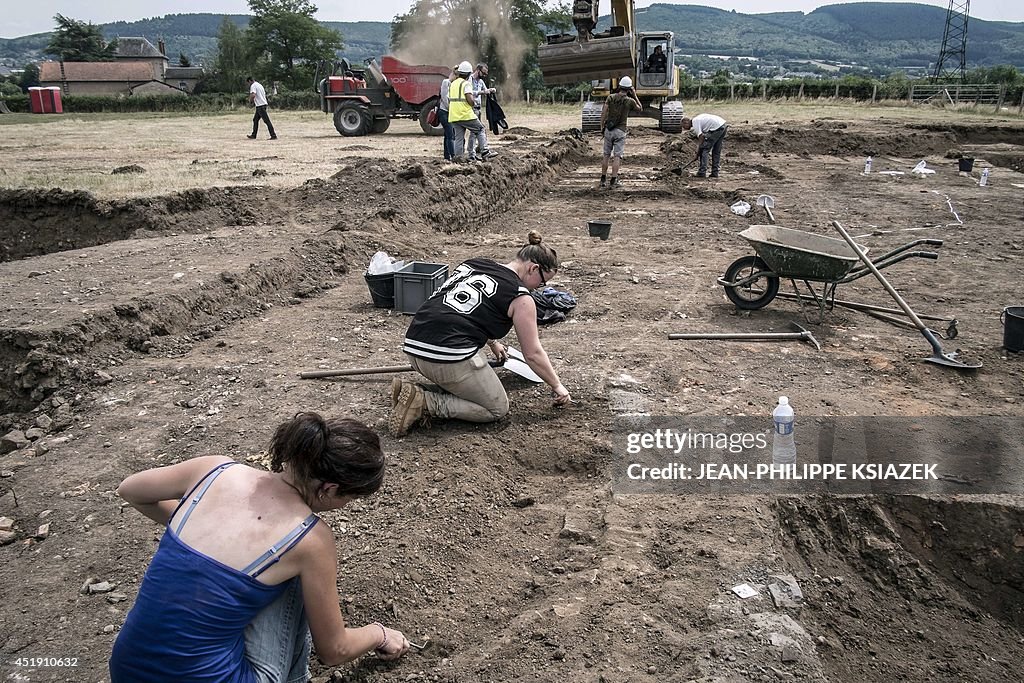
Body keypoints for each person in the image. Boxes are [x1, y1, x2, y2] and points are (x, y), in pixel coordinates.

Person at [109, 412, 411, 682]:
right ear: (330, 489)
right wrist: (379, 633)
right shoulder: (311, 539)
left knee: (267, 572)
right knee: (293, 574)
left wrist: (192, 528)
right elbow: (334, 650)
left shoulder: (214, 469)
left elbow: (131, 490)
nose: (347, 505)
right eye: (351, 498)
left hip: (127, 669)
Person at [390, 230, 571, 436]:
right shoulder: (521, 297)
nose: (539, 288)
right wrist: (557, 385)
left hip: (414, 346)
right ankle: (426, 402)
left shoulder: (474, 263)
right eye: (542, 282)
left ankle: (412, 392)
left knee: (471, 381)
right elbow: (533, 353)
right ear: (533, 268)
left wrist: (493, 342)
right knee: (496, 408)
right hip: (446, 357)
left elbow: (462, 309)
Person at [448, 61, 496, 163]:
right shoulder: (466, 84)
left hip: (453, 115)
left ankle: (458, 159)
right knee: (480, 129)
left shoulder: (453, 84)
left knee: (458, 138)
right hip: (465, 114)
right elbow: (470, 99)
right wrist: (473, 103)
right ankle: (485, 151)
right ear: (469, 74)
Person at [599, 76, 642, 189]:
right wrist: (635, 95)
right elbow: (640, 108)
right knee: (617, 156)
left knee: (606, 155)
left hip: (609, 130)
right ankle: (613, 180)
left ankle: (603, 179)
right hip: (620, 131)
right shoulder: (630, 101)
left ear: (619, 86)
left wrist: (602, 125)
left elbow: (604, 112)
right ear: (629, 89)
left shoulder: (610, 97)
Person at [682, 113, 728, 178]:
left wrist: (698, 152)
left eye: (683, 126)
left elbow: (701, 137)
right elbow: (703, 136)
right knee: (716, 151)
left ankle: (702, 172)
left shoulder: (695, 122)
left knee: (704, 150)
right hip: (723, 125)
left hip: (716, 128)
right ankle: (715, 173)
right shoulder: (697, 119)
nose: (684, 129)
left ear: (686, 123)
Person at [467, 63, 496, 162]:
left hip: (478, 109)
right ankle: (474, 153)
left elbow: (485, 90)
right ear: (478, 70)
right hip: (472, 108)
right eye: (483, 73)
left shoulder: (481, 82)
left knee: (476, 132)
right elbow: (469, 92)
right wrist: (482, 92)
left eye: (485, 74)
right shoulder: (469, 80)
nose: (484, 75)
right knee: (474, 131)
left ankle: (475, 152)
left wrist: (490, 90)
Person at [438, 66, 458, 161]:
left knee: (447, 135)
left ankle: (447, 156)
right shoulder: (446, 82)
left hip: (448, 112)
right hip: (444, 112)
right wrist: (452, 109)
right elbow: (445, 98)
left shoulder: (452, 84)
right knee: (451, 135)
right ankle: (453, 156)